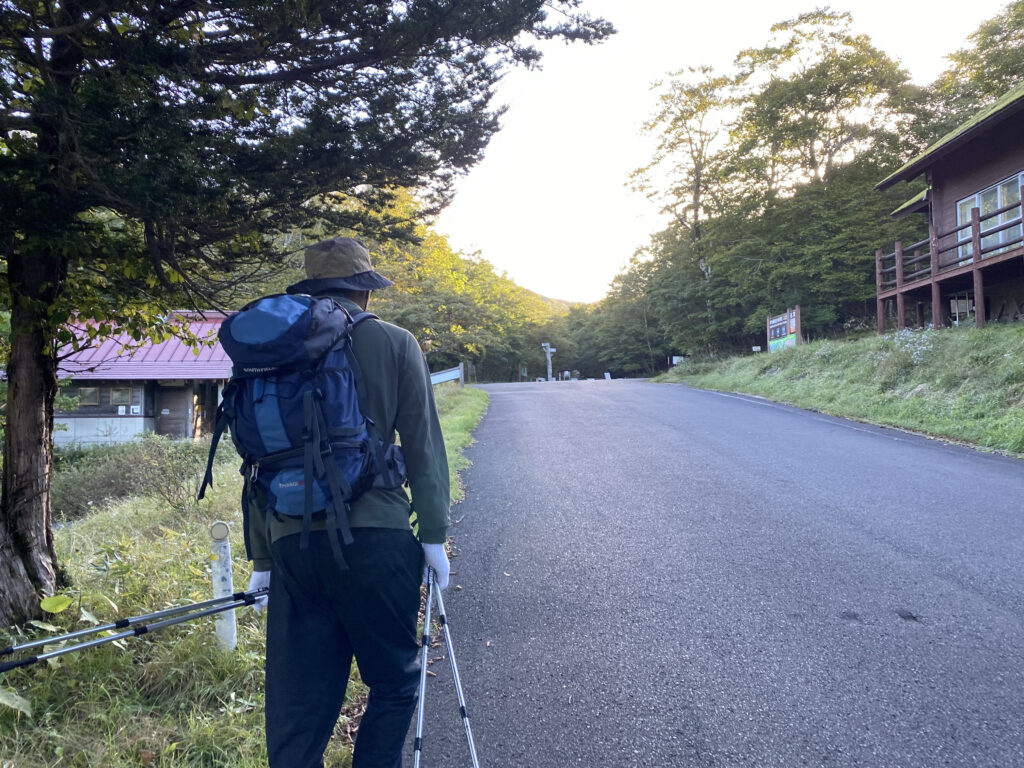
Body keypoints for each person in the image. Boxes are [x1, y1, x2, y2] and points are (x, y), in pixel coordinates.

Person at [245, 236, 451, 768]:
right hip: (376, 541)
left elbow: (257, 461)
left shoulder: (272, 349)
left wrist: (262, 559)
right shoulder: (395, 341)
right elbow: (425, 445)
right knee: (393, 680)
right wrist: (433, 536)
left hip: (290, 540)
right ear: (363, 290)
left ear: (311, 290)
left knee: (299, 709)